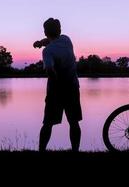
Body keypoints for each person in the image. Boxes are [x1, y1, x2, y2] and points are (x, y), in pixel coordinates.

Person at [33, 18, 82, 152]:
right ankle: (75, 150)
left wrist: (56, 83)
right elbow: (51, 39)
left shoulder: (48, 51)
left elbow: (49, 69)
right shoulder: (66, 40)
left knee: (48, 123)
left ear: (45, 31)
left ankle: (41, 150)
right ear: (60, 30)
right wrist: (40, 42)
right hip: (72, 88)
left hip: (56, 90)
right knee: (74, 122)